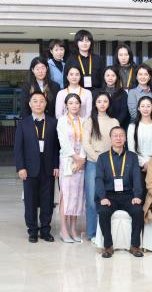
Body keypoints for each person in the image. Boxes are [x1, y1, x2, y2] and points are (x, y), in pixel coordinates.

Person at [95, 127, 145, 258]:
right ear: (110, 138)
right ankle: (108, 246)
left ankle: (135, 246)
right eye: (115, 136)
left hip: (128, 195)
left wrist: (137, 196)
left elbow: (137, 178)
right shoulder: (102, 158)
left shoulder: (132, 157)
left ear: (125, 138)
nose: (118, 138)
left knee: (138, 211)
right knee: (103, 211)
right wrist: (102, 197)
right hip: (109, 195)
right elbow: (99, 179)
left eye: (121, 135)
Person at [18, 92, 59, 243]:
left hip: (48, 167)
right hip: (29, 168)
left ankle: (45, 230)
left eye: (41, 101)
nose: (38, 104)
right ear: (30, 104)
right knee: (30, 201)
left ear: (46, 104)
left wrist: (56, 165)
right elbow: (18, 148)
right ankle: (33, 231)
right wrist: (21, 167)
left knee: (47, 200)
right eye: (35, 101)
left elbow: (56, 147)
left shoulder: (53, 122)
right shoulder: (23, 123)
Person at [84, 90, 121, 241]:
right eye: (99, 101)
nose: (102, 104)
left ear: (109, 103)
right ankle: (92, 233)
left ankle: (105, 232)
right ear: (95, 104)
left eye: (105, 101)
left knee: (108, 197)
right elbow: (85, 143)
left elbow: (117, 141)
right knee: (92, 198)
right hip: (93, 163)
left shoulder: (114, 122)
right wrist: (98, 158)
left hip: (110, 164)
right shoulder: (90, 121)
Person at [56, 94, 87, 243]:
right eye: (71, 103)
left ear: (80, 105)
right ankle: (63, 229)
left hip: (81, 162)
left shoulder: (84, 121)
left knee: (77, 197)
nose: (74, 105)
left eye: (76, 103)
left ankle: (73, 229)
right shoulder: (62, 120)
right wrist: (75, 157)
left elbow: (86, 141)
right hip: (68, 161)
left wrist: (82, 159)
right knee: (66, 196)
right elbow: (63, 141)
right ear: (66, 105)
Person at [127, 96, 152, 167]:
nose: (145, 109)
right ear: (138, 108)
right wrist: (143, 163)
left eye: (148, 106)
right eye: (142, 106)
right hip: (137, 165)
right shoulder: (132, 127)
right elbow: (131, 149)